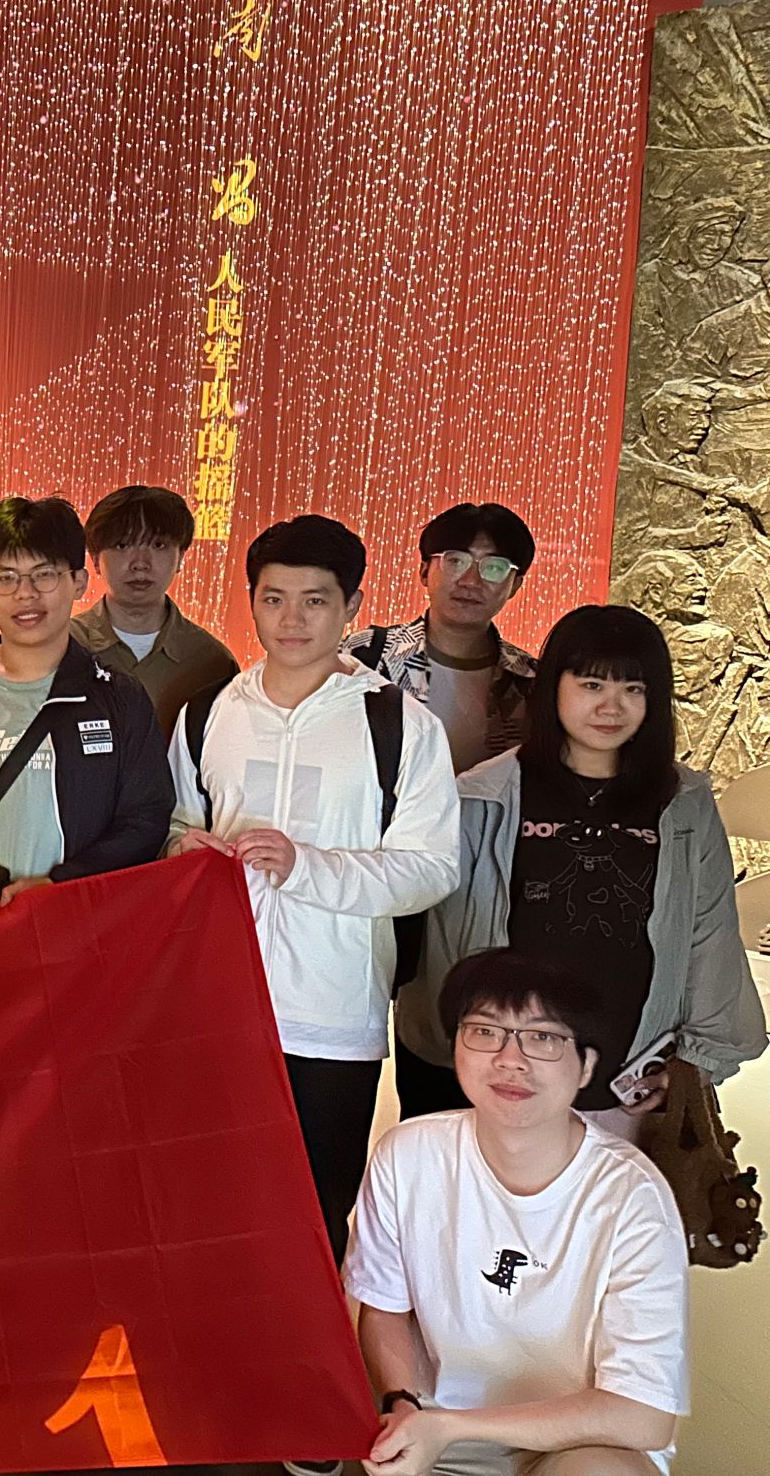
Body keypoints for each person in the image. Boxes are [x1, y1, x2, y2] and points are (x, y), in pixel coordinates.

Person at [167, 515, 460, 1268]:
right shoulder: (209, 713)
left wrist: (306, 866)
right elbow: (176, 825)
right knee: (201, 1207)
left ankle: (300, 1345)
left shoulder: (400, 726)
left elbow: (432, 867)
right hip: (217, 1008)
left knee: (315, 1217)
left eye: (315, 601)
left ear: (352, 606)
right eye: (273, 599)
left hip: (332, 1019)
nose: (291, 619)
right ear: (251, 602)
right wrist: (180, 849)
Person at [395, 605, 766, 1124]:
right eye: (592, 684)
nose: (612, 706)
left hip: (628, 1078)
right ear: (554, 686)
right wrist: (455, 1049)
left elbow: (709, 932)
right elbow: (445, 943)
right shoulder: (484, 795)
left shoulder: (683, 802)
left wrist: (698, 1060)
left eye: (633, 689)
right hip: (502, 1071)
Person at [346, 949, 689, 1476]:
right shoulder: (407, 1154)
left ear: (587, 1066)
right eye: (485, 1031)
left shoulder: (630, 1196)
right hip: (436, 1434)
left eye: (544, 1038)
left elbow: (643, 1417)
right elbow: (385, 1307)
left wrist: (452, 1427)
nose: (510, 1059)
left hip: (579, 1443)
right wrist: (404, 1404)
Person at [0, 496, 172, 902]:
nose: (25, 594)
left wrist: (62, 886)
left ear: (78, 582)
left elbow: (145, 817)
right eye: (6, 577)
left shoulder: (119, 698)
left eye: (44, 575)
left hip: (79, 919)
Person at [346, 503, 538, 774]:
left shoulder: (532, 680)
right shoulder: (362, 655)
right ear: (424, 571)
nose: (471, 581)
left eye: (495, 567)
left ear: (515, 585)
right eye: (456, 561)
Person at [68, 484, 239, 741]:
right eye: (122, 545)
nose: (140, 563)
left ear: (181, 557)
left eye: (158, 545)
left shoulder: (211, 661)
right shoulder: (64, 646)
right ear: (94, 559)